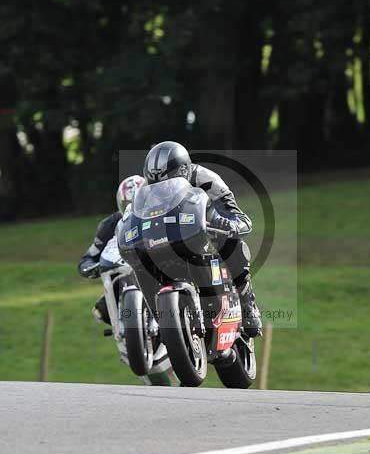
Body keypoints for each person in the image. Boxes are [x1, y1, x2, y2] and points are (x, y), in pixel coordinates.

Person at [143, 141, 262, 337]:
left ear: (184, 171)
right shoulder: (147, 191)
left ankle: (247, 304)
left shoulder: (206, 179)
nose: (161, 191)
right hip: (167, 239)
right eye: (156, 186)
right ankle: (157, 319)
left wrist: (230, 225)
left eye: (167, 183)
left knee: (232, 242)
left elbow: (239, 217)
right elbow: (135, 218)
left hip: (204, 232)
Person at [78, 175, 146, 324]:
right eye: (128, 204)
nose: (133, 208)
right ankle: (124, 335)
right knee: (100, 310)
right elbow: (89, 256)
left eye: (139, 202)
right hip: (124, 275)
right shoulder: (109, 225)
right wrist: (90, 267)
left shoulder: (158, 216)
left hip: (159, 272)